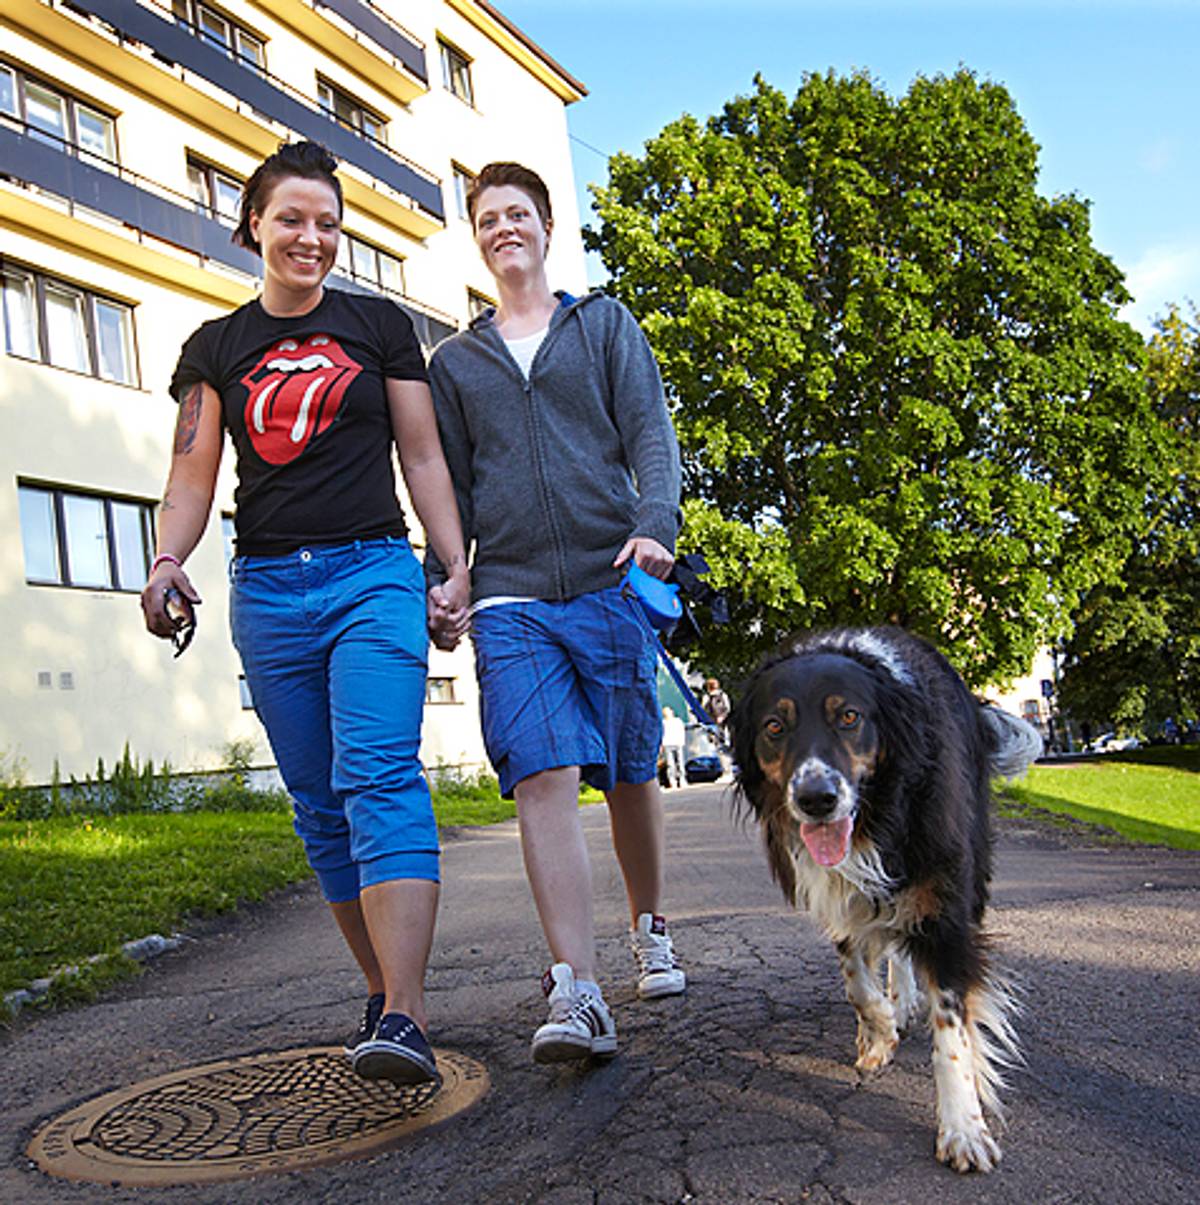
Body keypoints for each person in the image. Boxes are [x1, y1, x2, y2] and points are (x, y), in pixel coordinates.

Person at [140, 141, 469, 1087]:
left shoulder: (380, 326)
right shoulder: (214, 347)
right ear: (254, 225)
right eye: (292, 219)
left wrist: (453, 565)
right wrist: (167, 561)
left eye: (327, 223)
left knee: (378, 776)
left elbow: (425, 457)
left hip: (373, 573)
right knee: (321, 808)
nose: (311, 238)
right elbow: (190, 473)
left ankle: (406, 1014)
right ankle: (381, 994)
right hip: (270, 591)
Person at [426, 161, 686, 1064]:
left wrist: (655, 524)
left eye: (518, 214)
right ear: (478, 236)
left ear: (545, 226)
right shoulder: (455, 362)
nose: (505, 228)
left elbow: (650, 432)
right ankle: (575, 987)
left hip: (610, 575)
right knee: (542, 770)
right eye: (488, 217)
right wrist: (449, 574)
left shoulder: (604, 324)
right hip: (511, 597)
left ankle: (649, 926)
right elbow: (449, 483)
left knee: (625, 767)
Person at [661, 706, 686, 789]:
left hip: (677, 743)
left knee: (680, 762)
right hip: (667, 744)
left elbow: (681, 731)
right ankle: (672, 781)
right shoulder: (663, 723)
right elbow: (661, 734)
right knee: (670, 764)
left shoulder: (677, 721)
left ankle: (682, 780)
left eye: (668, 712)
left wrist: (682, 742)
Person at [703, 677, 731, 746]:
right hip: (722, 722)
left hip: (710, 722)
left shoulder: (706, 697)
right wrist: (722, 717)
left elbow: (703, 709)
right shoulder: (723, 695)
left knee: (711, 741)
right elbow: (727, 708)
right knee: (723, 739)